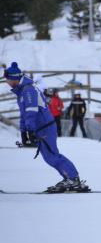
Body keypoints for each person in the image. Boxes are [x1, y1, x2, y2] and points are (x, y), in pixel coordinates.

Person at [3, 62, 89, 192]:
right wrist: (23, 132)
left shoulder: (28, 90)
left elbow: (31, 111)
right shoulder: (23, 90)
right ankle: (70, 179)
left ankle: (73, 179)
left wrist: (30, 130)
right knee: (49, 156)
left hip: (45, 127)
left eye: (7, 79)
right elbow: (24, 114)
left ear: (14, 78)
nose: (6, 82)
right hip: (40, 127)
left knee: (51, 155)